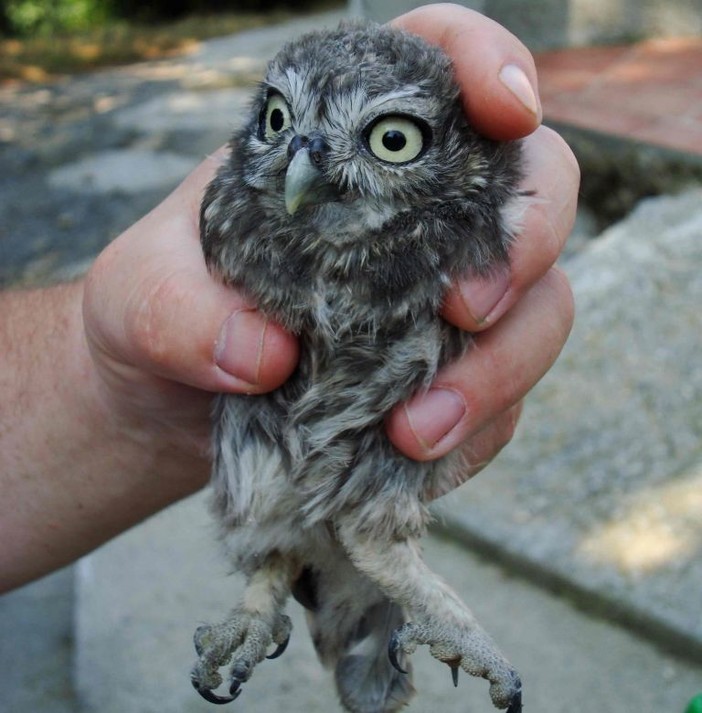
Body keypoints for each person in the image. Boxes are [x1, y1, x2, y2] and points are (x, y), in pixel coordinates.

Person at [0, 4, 578, 593]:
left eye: (391, 139)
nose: (302, 167)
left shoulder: (462, 223)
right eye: (278, 121)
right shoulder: (241, 214)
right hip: (259, 474)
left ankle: (376, 567)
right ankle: (278, 570)